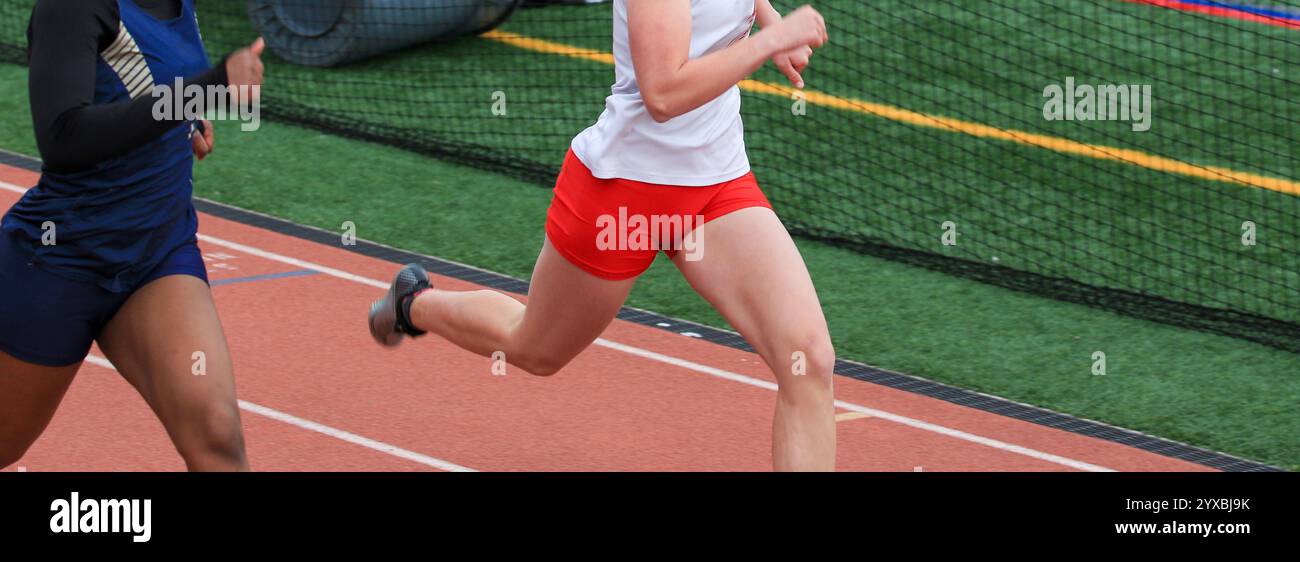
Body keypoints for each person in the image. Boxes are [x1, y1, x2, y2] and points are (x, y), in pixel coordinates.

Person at [371, 0, 835, 471]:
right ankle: (413, 303)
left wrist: (770, 16)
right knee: (536, 349)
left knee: (808, 359)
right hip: (625, 190)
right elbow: (664, 95)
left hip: (716, 185)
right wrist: (767, 42)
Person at [0, 0, 265, 471]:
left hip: (157, 257)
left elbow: (143, 90)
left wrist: (186, 122)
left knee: (216, 431)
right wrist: (200, 91)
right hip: (62, 259)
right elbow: (64, 138)